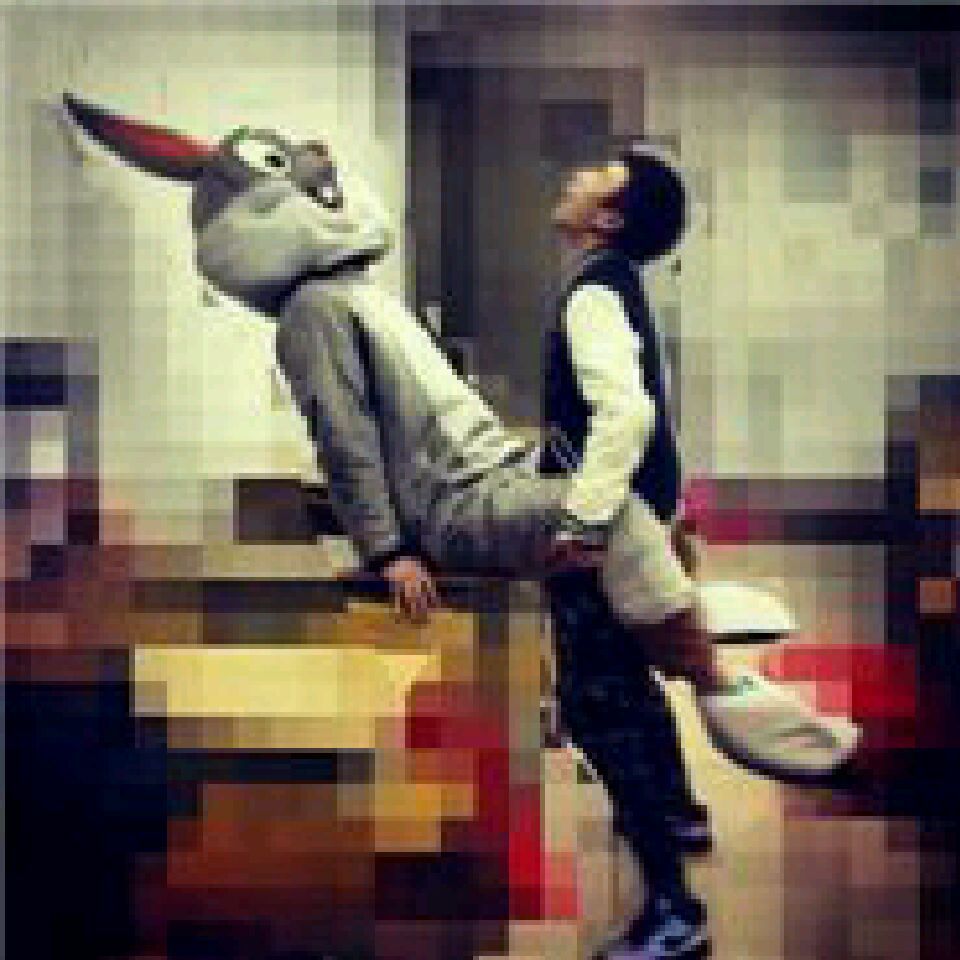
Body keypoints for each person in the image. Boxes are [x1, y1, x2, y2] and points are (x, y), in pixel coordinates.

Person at [63, 95, 862, 942]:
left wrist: (547, 484)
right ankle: (717, 702)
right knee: (618, 571)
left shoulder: (358, 295)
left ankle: (681, 804)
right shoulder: (314, 315)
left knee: (609, 670)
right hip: (456, 510)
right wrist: (389, 550)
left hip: (496, 479)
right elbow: (344, 439)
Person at [539, 146, 711, 957]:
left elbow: (627, 416)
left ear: (607, 218)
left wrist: (580, 522)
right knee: (629, 681)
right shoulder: (616, 283)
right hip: (639, 515)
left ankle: (673, 910)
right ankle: (677, 810)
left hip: (610, 532)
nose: (577, 177)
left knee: (595, 702)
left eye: (597, 178)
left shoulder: (593, 293)